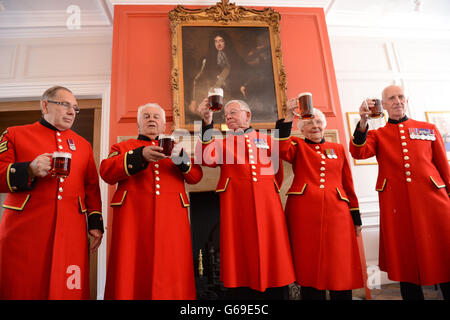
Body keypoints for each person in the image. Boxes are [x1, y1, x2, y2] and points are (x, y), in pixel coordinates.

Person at [0, 85, 104, 299]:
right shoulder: (15, 134)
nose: (71, 112)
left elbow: (91, 187)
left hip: (71, 230)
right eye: (65, 104)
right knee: (21, 287)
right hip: (25, 229)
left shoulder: (83, 145)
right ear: (45, 105)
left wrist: (95, 224)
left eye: (75, 108)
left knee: (67, 289)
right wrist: (29, 169)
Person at [349, 85, 450, 300]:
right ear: (383, 105)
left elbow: (443, 166)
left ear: (407, 100)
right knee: (406, 261)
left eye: (401, 97)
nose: (397, 101)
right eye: (391, 98)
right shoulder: (378, 134)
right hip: (397, 207)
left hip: (434, 203)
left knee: (444, 255)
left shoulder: (428, 129)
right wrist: (363, 121)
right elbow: (359, 151)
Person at [101, 103, 203, 300]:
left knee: (172, 266)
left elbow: (196, 177)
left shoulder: (177, 148)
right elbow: (106, 171)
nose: (151, 119)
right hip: (134, 218)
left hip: (172, 218)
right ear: (138, 125)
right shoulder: (122, 147)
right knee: (131, 265)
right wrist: (140, 155)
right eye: (146, 116)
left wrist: (181, 160)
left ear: (163, 125)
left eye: (156, 117)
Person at [196, 98, 295, 299]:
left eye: (233, 112)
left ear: (247, 115)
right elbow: (205, 158)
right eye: (226, 115)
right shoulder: (222, 143)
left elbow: (281, 160)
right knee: (239, 254)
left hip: (268, 205)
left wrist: (290, 117)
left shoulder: (267, 139)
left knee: (273, 250)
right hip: (236, 207)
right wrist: (207, 121)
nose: (228, 117)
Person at [275, 101, 364, 300]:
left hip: (338, 214)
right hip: (304, 214)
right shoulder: (296, 146)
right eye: (309, 122)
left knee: (339, 264)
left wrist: (355, 217)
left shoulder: (338, 148)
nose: (314, 125)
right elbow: (281, 148)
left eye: (318, 121)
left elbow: (348, 185)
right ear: (302, 129)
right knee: (309, 264)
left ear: (324, 125)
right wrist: (289, 116)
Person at [187, 32, 248, 123]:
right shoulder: (207, 60)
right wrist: (193, 100)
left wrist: (243, 85)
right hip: (217, 97)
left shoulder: (236, 58)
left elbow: (247, 74)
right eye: (216, 42)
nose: (218, 44)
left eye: (221, 41)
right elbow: (197, 79)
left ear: (226, 42)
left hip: (234, 95)